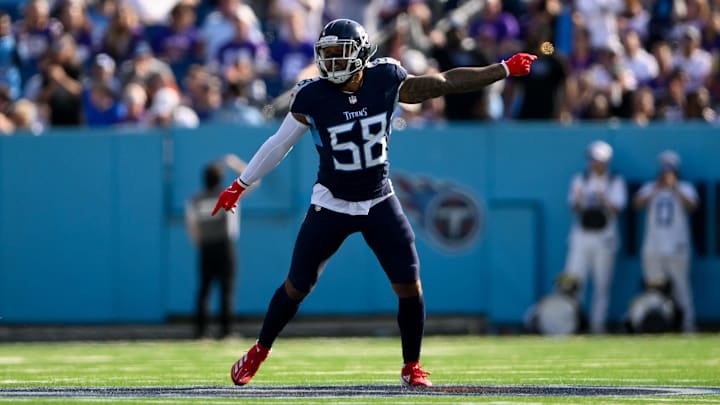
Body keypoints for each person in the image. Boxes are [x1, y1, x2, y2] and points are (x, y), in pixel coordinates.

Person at [211, 18, 537, 387]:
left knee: (409, 285)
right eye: (327, 54)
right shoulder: (312, 96)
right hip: (331, 202)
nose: (332, 62)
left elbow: (444, 82)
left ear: (362, 54)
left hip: (379, 199)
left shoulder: (386, 80)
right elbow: (279, 143)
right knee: (297, 285)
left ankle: (411, 367)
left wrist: (502, 69)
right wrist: (240, 184)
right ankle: (260, 349)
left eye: (340, 53)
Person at [562, 140, 627, 334]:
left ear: (606, 161)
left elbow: (617, 208)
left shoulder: (615, 180)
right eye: (591, 160)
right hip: (582, 236)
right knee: (574, 281)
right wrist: (581, 199)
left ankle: (598, 325)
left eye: (597, 160)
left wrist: (603, 198)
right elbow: (574, 206)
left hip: (605, 238)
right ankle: (572, 323)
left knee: (602, 285)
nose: (593, 164)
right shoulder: (580, 179)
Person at [632, 150, 698, 333]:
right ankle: (656, 324)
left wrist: (674, 187)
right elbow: (637, 204)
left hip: (677, 245)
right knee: (653, 288)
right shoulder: (650, 187)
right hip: (653, 245)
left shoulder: (685, 187)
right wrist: (656, 188)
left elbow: (693, 206)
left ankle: (688, 324)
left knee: (681, 286)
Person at [185, 154, 250, 339]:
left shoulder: (195, 199)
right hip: (225, 246)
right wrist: (235, 163)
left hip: (206, 246)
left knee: (204, 289)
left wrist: (198, 242)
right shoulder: (228, 194)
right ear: (220, 178)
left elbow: (192, 225)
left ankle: (201, 331)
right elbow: (253, 180)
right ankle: (227, 330)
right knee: (226, 289)